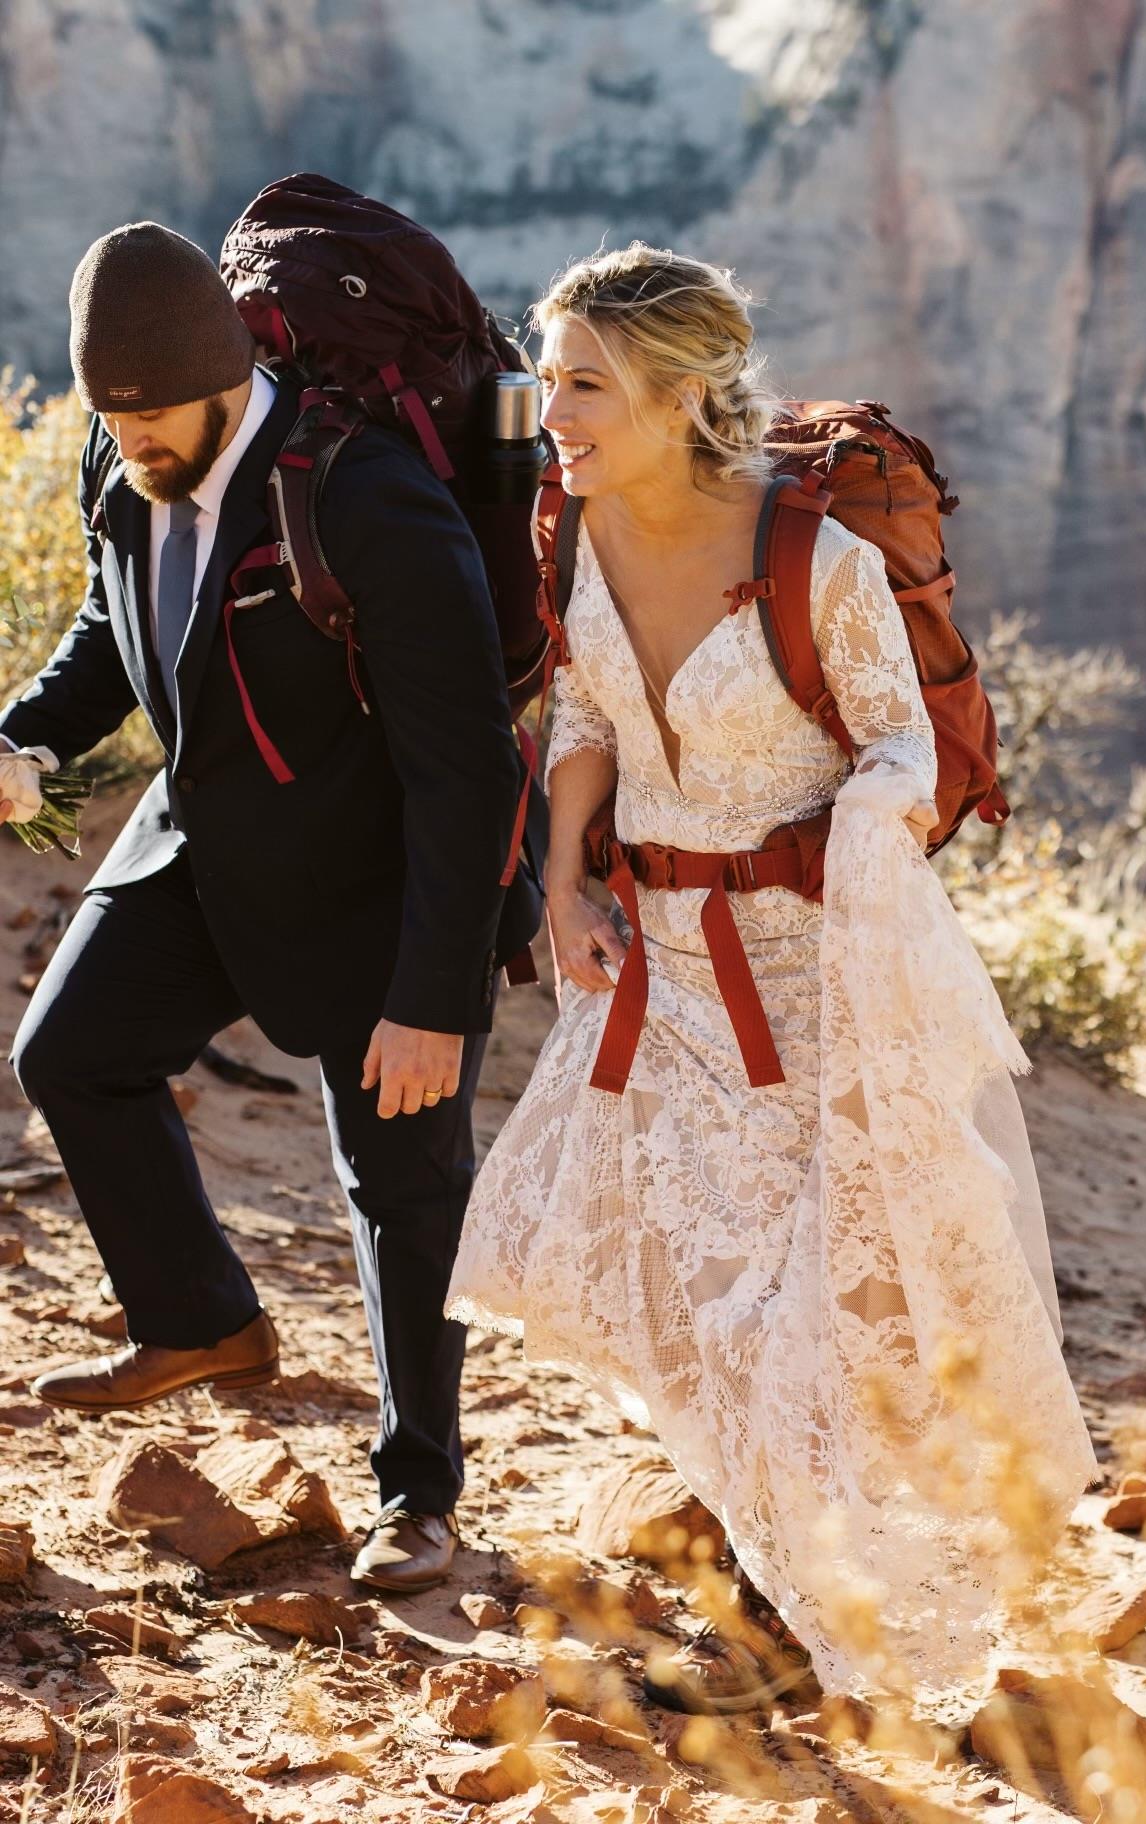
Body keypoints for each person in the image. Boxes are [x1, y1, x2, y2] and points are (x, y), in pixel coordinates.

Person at [446, 245, 1098, 1711]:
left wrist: (867, 851)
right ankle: (768, 1580)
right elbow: (589, 713)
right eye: (545, 377)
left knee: (799, 1309)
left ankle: (792, 1627)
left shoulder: (814, 559)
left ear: (683, 398)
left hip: (821, 986)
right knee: (688, 1288)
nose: (550, 410)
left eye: (584, 385)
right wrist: (561, 887)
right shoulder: (576, 521)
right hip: (657, 977)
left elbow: (900, 749)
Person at [0, 222, 542, 1594]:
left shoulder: (368, 505)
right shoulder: (123, 462)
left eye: (152, 415)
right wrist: (28, 739)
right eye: (108, 415)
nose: (131, 440)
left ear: (228, 379)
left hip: (379, 879)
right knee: (70, 1055)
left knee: (400, 1190)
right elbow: (112, 628)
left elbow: (466, 771)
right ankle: (201, 1322)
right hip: (202, 840)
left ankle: (418, 1497)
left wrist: (434, 997)